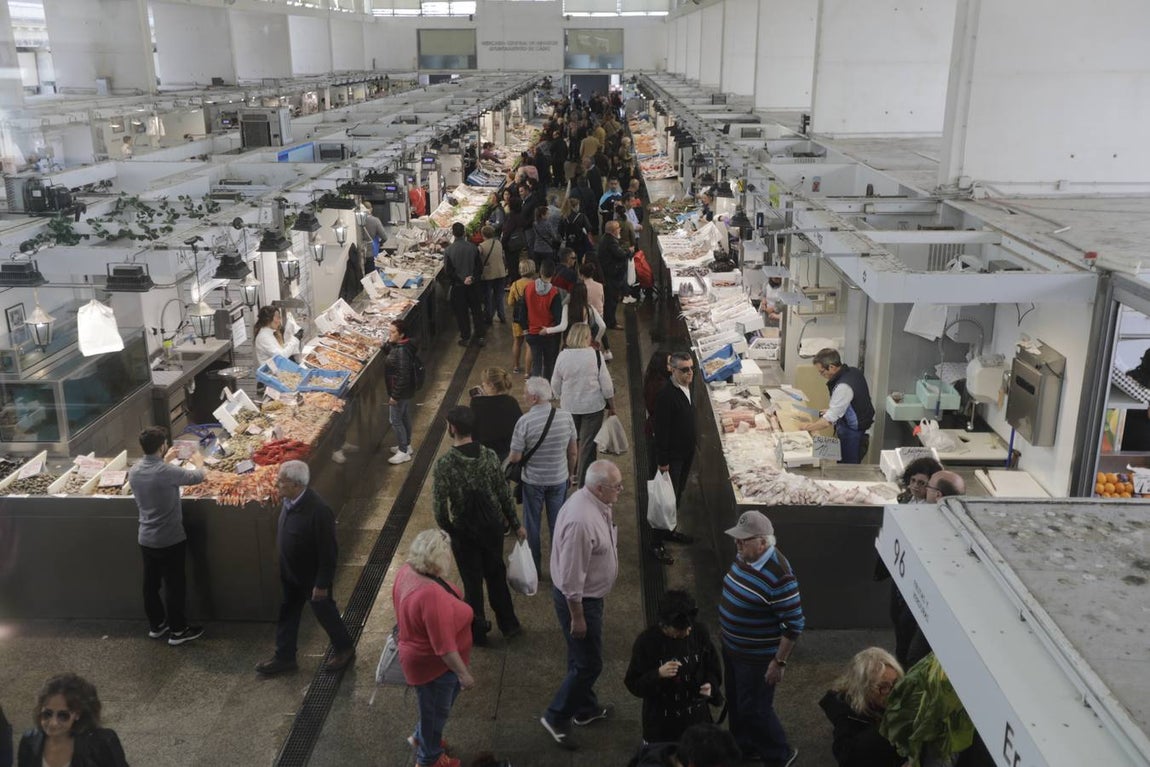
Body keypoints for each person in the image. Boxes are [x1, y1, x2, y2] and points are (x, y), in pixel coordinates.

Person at [539, 460, 622, 751]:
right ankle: (555, 716)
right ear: (599, 488)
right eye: (617, 486)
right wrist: (578, 616)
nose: (621, 490)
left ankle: (584, 709)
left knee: (579, 657)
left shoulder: (595, 502)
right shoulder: (581, 521)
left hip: (590, 597)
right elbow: (572, 576)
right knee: (589, 664)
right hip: (581, 602)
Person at [432, 406, 525, 646]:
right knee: (496, 575)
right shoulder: (489, 456)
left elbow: (439, 508)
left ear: (452, 428)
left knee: (472, 583)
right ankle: (509, 625)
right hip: (492, 526)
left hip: (464, 530)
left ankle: (478, 632)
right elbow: (503, 493)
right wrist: (515, 524)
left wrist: (450, 531)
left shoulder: (445, 464)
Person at [719, 510, 803, 767]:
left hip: (756, 659)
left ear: (763, 542)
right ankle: (744, 747)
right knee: (737, 702)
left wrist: (779, 662)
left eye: (743, 540)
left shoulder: (781, 576)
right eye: (737, 538)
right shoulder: (745, 556)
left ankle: (779, 755)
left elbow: (794, 625)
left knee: (755, 709)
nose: (737, 543)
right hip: (733, 649)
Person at [256, 461, 356, 676]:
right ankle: (284, 657)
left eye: (282, 481)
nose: (277, 484)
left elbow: (329, 551)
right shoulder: (288, 501)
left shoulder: (319, 511)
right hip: (290, 573)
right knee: (288, 613)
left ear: (296, 484)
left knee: (325, 612)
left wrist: (322, 583)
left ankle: (344, 648)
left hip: (311, 577)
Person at [393, 529, 474, 767]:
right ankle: (429, 758)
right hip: (435, 667)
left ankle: (422, 737)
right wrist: (464, 675)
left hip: (419, 659)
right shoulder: (431, 595)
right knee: (436, 713)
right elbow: (444, 648)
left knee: (430, 708)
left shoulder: (406, 571)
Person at [128, 426, 205, 646]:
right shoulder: (166, 471)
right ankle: (178, 631)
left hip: (146, 537)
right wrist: (199, 461)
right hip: (170, 538)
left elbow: (156, 478)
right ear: (162, 446)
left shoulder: (135, 470)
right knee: (174, 585)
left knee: (150, 585)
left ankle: (156, 625)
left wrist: (165, 460)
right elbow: (197, 477)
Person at [624, 590, 723, 746]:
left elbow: (713, 667)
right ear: (664, 625)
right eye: (680, 630)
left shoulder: (699, 633)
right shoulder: (647, 642)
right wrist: (657, 674)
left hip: (697, 724)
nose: (688, 632)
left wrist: (711, 685)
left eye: (689, 627)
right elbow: (634, 684)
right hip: (661, 729)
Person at [508, 377, 578, 573]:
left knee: (532, 525)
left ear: (534, 398)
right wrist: (570, 474)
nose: (523, 396)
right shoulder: (566, 417)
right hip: (559, 479)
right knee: (558, 525)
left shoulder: (524, 422)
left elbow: (515, 457)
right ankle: (560, 568)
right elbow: (573, 452)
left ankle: (534, 569)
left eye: (525, 393)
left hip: (533, 482)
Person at [551, 323, 615, 485]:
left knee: (570, 443)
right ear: (586, 337)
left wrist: (562, 396)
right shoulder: (596, 356)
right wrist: (612, 406)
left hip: (569, 407)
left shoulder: (562, 356)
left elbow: (555, 384)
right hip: (593, 407)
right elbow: (607, 386)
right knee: (588, 445)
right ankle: (583, 484)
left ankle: (570, 475)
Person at [818, 647, 905, 767]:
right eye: (883, 687)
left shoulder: (889, 699)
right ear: (863, 688)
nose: (893, 692)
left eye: (895, 683)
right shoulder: (847, 721)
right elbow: (849, 759)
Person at [16, 674, 127, 767]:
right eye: (47, 714)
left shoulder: (102, 742)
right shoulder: (30, 740)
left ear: (77, 714)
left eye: (63, 716)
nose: (53, 723)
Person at [651, 351, 698, 564]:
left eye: (691, 368)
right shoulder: (666, 396)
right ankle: (656, 543)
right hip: (672, 458)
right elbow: (661, 431)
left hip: (686, 453)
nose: (690, 373)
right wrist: (663, 462)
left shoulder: (687, 387)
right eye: (684, 370)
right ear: (673, 370)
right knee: (664, 501)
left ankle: (669, 530)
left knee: (676, 496)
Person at [801, 348, 875, 464]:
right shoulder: (853, 372)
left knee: (847, 469)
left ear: (831, 367)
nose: (821, 375)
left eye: (822, 372)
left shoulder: (843, 387)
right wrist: (833, 411)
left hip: (852, 434)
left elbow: (827, 422)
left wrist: (807, 428)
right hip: (858, 426)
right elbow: (853, 402)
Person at [444, 221, 484, 347]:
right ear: (464, 232)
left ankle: (465, 337)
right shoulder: (473, 247)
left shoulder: (448, 251)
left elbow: (448, 272)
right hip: (474, 286)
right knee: (477, 311)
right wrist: (472, 278)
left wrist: (461, 280)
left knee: (462, 313)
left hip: (458, 287)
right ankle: (480, 336)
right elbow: (479, 267)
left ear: (453, 234)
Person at [469, 367, 522, 462]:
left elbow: (473, 431)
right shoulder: (511, 402)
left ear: (491, 385)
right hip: (507, 453)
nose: (482, 385)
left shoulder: (477, 404)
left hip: (485, 455)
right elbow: (519, 428)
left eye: (484, 383)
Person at [384, 318, 418, 466]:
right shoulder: (402, 346)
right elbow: (393, 354)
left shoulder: (402, 352)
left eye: (393, 332)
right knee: (404, 417)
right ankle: (407, 445)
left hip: (400, 392)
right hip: (405, 391)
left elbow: (403, 376)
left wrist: (395, 396)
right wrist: (385, 345)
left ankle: (403, 452)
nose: (389, 335)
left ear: (401, 334)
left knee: (395, 420)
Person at [524, 261, 566, 379]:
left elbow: (522, 310)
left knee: (536, 364)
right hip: (548, 334)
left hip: (532, 332)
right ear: (553, 274)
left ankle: (535, 387)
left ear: (540, 272)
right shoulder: (554, 292)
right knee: (549, 364)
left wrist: (525, 329)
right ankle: (547, 386)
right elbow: (558, 318)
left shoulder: (528, 287)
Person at [506, 258, 536, 375]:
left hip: (518, 318)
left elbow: (510, 302)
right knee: (530, 345)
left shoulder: (515, 284)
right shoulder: (535, 284)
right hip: (531, 318)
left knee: (517, 342)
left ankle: (516, 366)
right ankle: (528, 372)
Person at [598, 220, 628, 330]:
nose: (620, 229)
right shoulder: (611, 242)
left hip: (608, 274)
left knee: (610, 299)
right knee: (611, 300)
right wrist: (628, 252)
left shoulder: (605, 239)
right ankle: (611, 322)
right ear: (613, 231)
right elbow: (621, 254)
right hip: (611, 275)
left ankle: (608, 321)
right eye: (618, 228)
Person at [477, 225, 507, 325]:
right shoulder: (498, 243)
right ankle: (502, 316)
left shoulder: (481, 246)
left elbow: (478, 259)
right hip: (501, 272)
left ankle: (488, 317)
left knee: (488, 297)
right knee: (499, 296)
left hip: (488, 274)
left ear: (483, 235)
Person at [529, 205, 559, 270]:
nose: (549, 215)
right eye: (547, 214)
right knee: (548, 268)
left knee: (540, 268)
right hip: (547, 249)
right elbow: (553, 235)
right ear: (542, 215)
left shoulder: (534, 223)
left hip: (537, 248)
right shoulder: (547, 224)